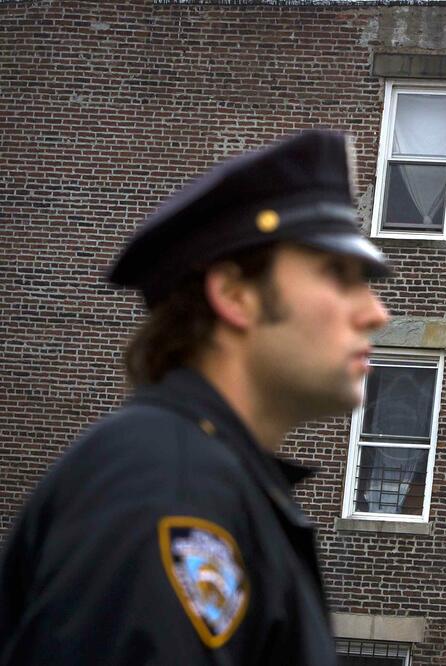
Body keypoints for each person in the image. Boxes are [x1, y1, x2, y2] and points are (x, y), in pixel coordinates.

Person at [0, 129, 391, 665]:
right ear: (234, 294)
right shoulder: (170, 487)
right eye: (338, 275)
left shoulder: (210, 479)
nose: (376, 313)